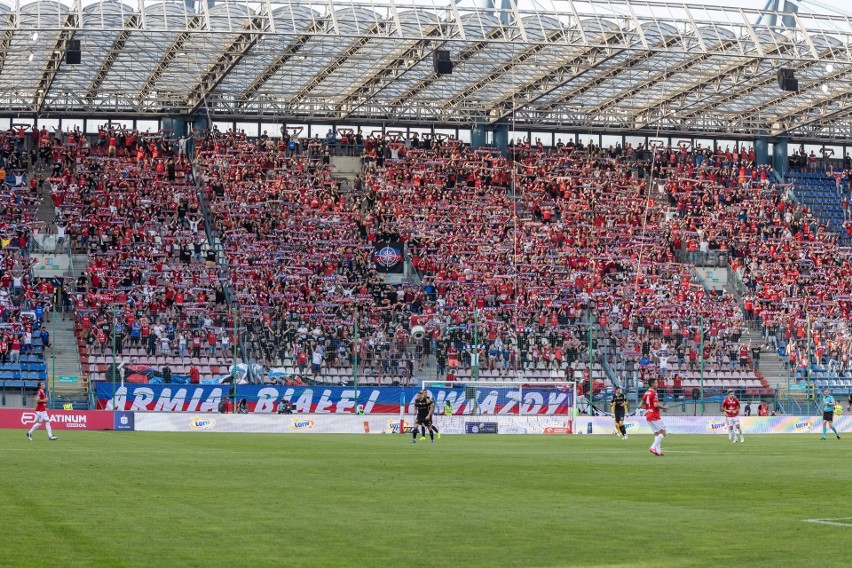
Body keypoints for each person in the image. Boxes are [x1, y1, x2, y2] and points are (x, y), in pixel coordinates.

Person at [641, 377, 668, 456]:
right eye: (656, 383)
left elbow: (640, 406)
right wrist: (664, 407)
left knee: (657, 433)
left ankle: (658, 452)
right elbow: (656, 405)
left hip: (648, 415)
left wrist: (649, 408)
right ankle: (652, 447)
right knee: (663, 432)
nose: (657, 384)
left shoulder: (646, 393)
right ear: (652, 384)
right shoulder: (654, 393)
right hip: (654, 416)